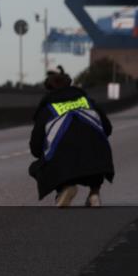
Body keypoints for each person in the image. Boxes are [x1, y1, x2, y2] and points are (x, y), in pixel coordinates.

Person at [28, 66, 114, 207]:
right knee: (96, 147)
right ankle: (94, 194)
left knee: (40, 164)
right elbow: (108, 129)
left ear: (49, 88)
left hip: (66, 164)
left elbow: (36, 148)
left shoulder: (47, 108)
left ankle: (64, 187)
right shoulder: (87, 101)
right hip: (97, 161)